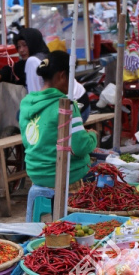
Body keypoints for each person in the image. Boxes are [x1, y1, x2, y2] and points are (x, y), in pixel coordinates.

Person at [19, 51, 97, 190]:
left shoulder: (26, 104)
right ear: (62, 76)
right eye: (71, 77)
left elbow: (31, 142)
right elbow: (80, 147)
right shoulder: (66, 106)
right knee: (102, 171)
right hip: (62, 174)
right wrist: (93, 136)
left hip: (35, 173)